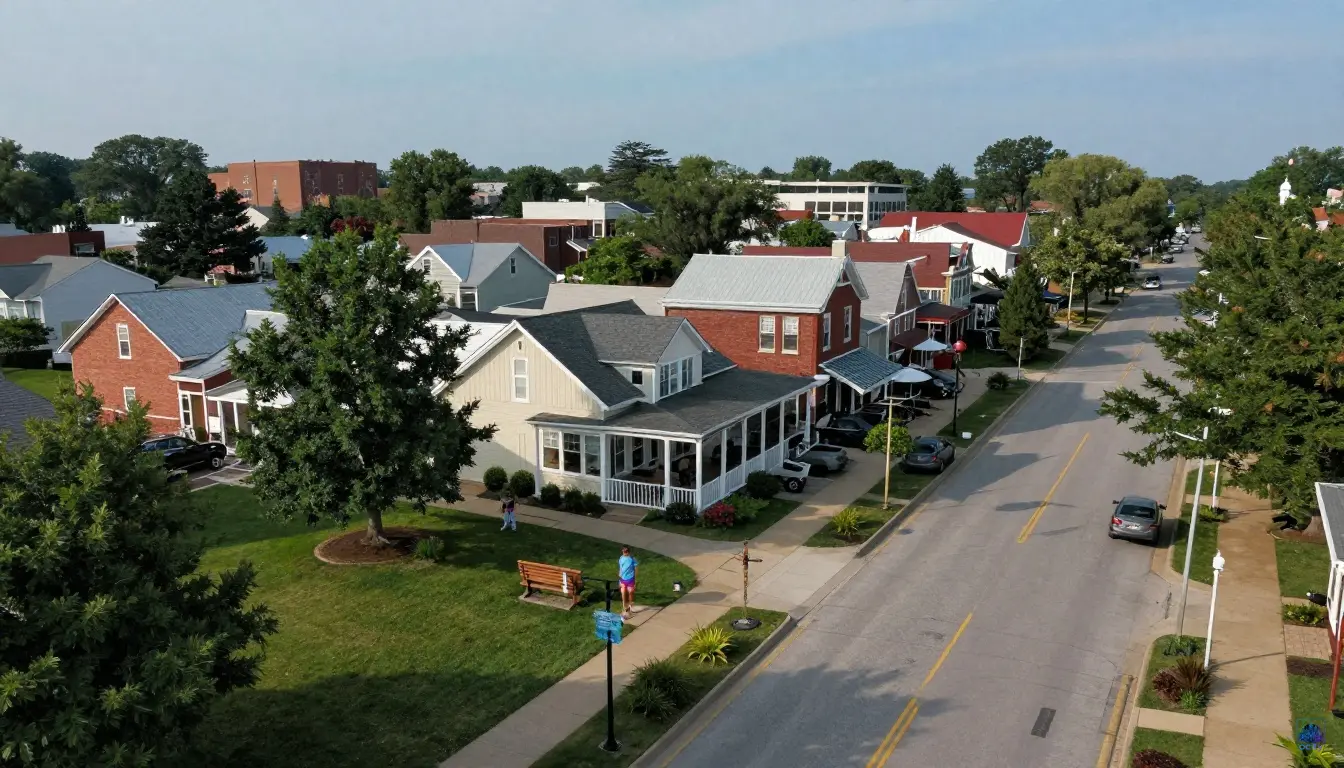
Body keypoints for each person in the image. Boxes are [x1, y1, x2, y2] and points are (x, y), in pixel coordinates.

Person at [618, 546, 638, 618]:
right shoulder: (621, 558)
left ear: (628, 552)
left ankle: (630, 605)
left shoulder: (632, 559)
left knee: (631, 592)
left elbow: (636, 569)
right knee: (623, 592)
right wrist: (619, 579)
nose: (624, 553)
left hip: (630, 578)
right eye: (623, 551)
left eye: (626, 551)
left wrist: (635, 580)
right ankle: (624, 606)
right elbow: (620, 568)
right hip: (623, 579)